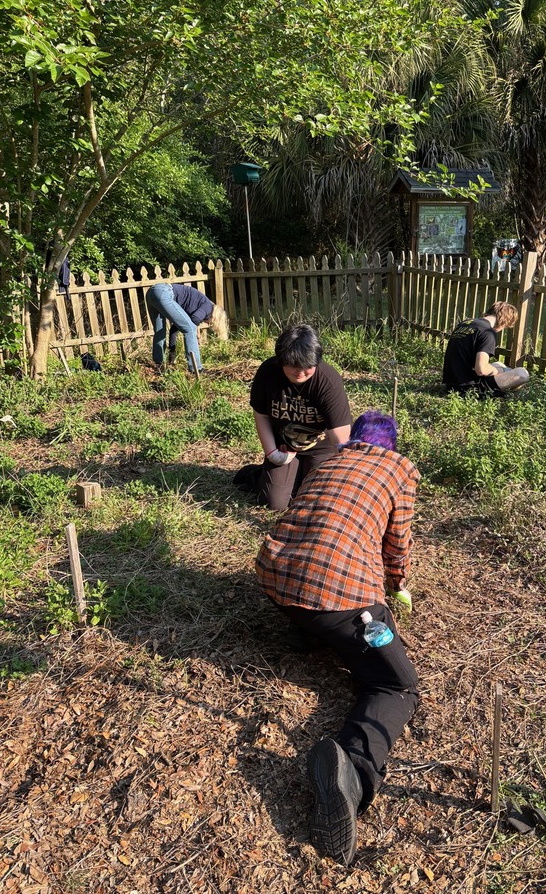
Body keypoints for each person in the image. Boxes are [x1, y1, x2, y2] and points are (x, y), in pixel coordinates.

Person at [255, 411, 420, 866]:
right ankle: (355, 773)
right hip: (338, 598)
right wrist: (397, 582)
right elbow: (397, 542)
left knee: (325, 612)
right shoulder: (399, 469)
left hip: (275, 578)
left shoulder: (327, 461)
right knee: (397, 684)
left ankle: (307, 632)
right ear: (390, 445)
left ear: (355, 442)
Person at [249, 323, 352, 511]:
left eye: (308, 367)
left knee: (314, 500)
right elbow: (261, 414)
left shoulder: (328, 382)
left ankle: (298, 479)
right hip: (284, 446)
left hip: (321, 449)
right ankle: (261, 475)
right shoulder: (267, 373)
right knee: (274, 503)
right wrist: (272, 452)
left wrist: (345, 472)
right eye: (293, 366)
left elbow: (341, 439)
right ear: (281, 360)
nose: (301, 372)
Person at [442, 300, 529, 397]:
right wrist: (500, 371)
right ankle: (509, 393)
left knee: (498, 364)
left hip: (451, 384)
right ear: (504, 321)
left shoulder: (466, 323)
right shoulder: (488, 332)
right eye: (505, 326)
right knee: (522, 373)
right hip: (467, 388)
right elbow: (481, 369)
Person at [145, 282, 226, 373]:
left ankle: (159, 365)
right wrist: (196, 333)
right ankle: (196, 368)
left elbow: (174, 328)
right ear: (216, 318)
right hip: (164, 292)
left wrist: (172, 351)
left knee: (160, 331)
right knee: (190, 329)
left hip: (152, 293)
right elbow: (194, 320)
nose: (208, 324)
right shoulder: (208, 307)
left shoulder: (195, 305)